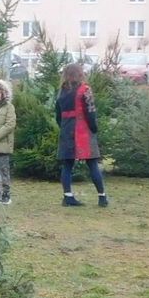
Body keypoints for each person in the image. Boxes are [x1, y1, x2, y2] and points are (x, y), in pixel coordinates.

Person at [55, 63, 108, 207]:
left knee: (67, 164)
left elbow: (58, 116)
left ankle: (68, 196)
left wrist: (64, 127)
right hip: (83, 130)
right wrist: (94, 128)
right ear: (80, 73)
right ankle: (102, 197)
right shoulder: (85, 90)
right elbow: (91, 112)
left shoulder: (61, 91)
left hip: (66, 129)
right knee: (92, 164)